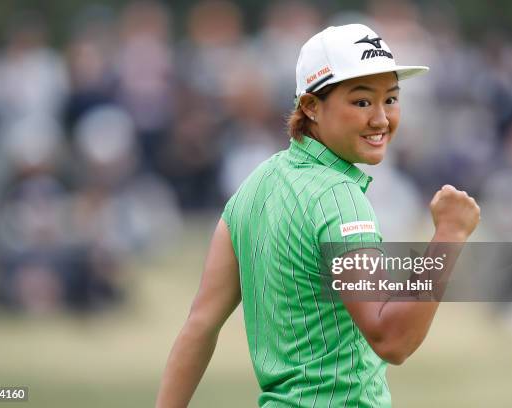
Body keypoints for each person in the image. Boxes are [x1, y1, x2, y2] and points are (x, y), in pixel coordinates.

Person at [156, 24, 480, 407]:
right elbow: (392, 339)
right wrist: (449, 235)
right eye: (361, 102)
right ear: (310, 106)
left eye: (390, 99)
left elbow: (199, 325)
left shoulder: (255, 186)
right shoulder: (339, 198)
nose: (380, 119)